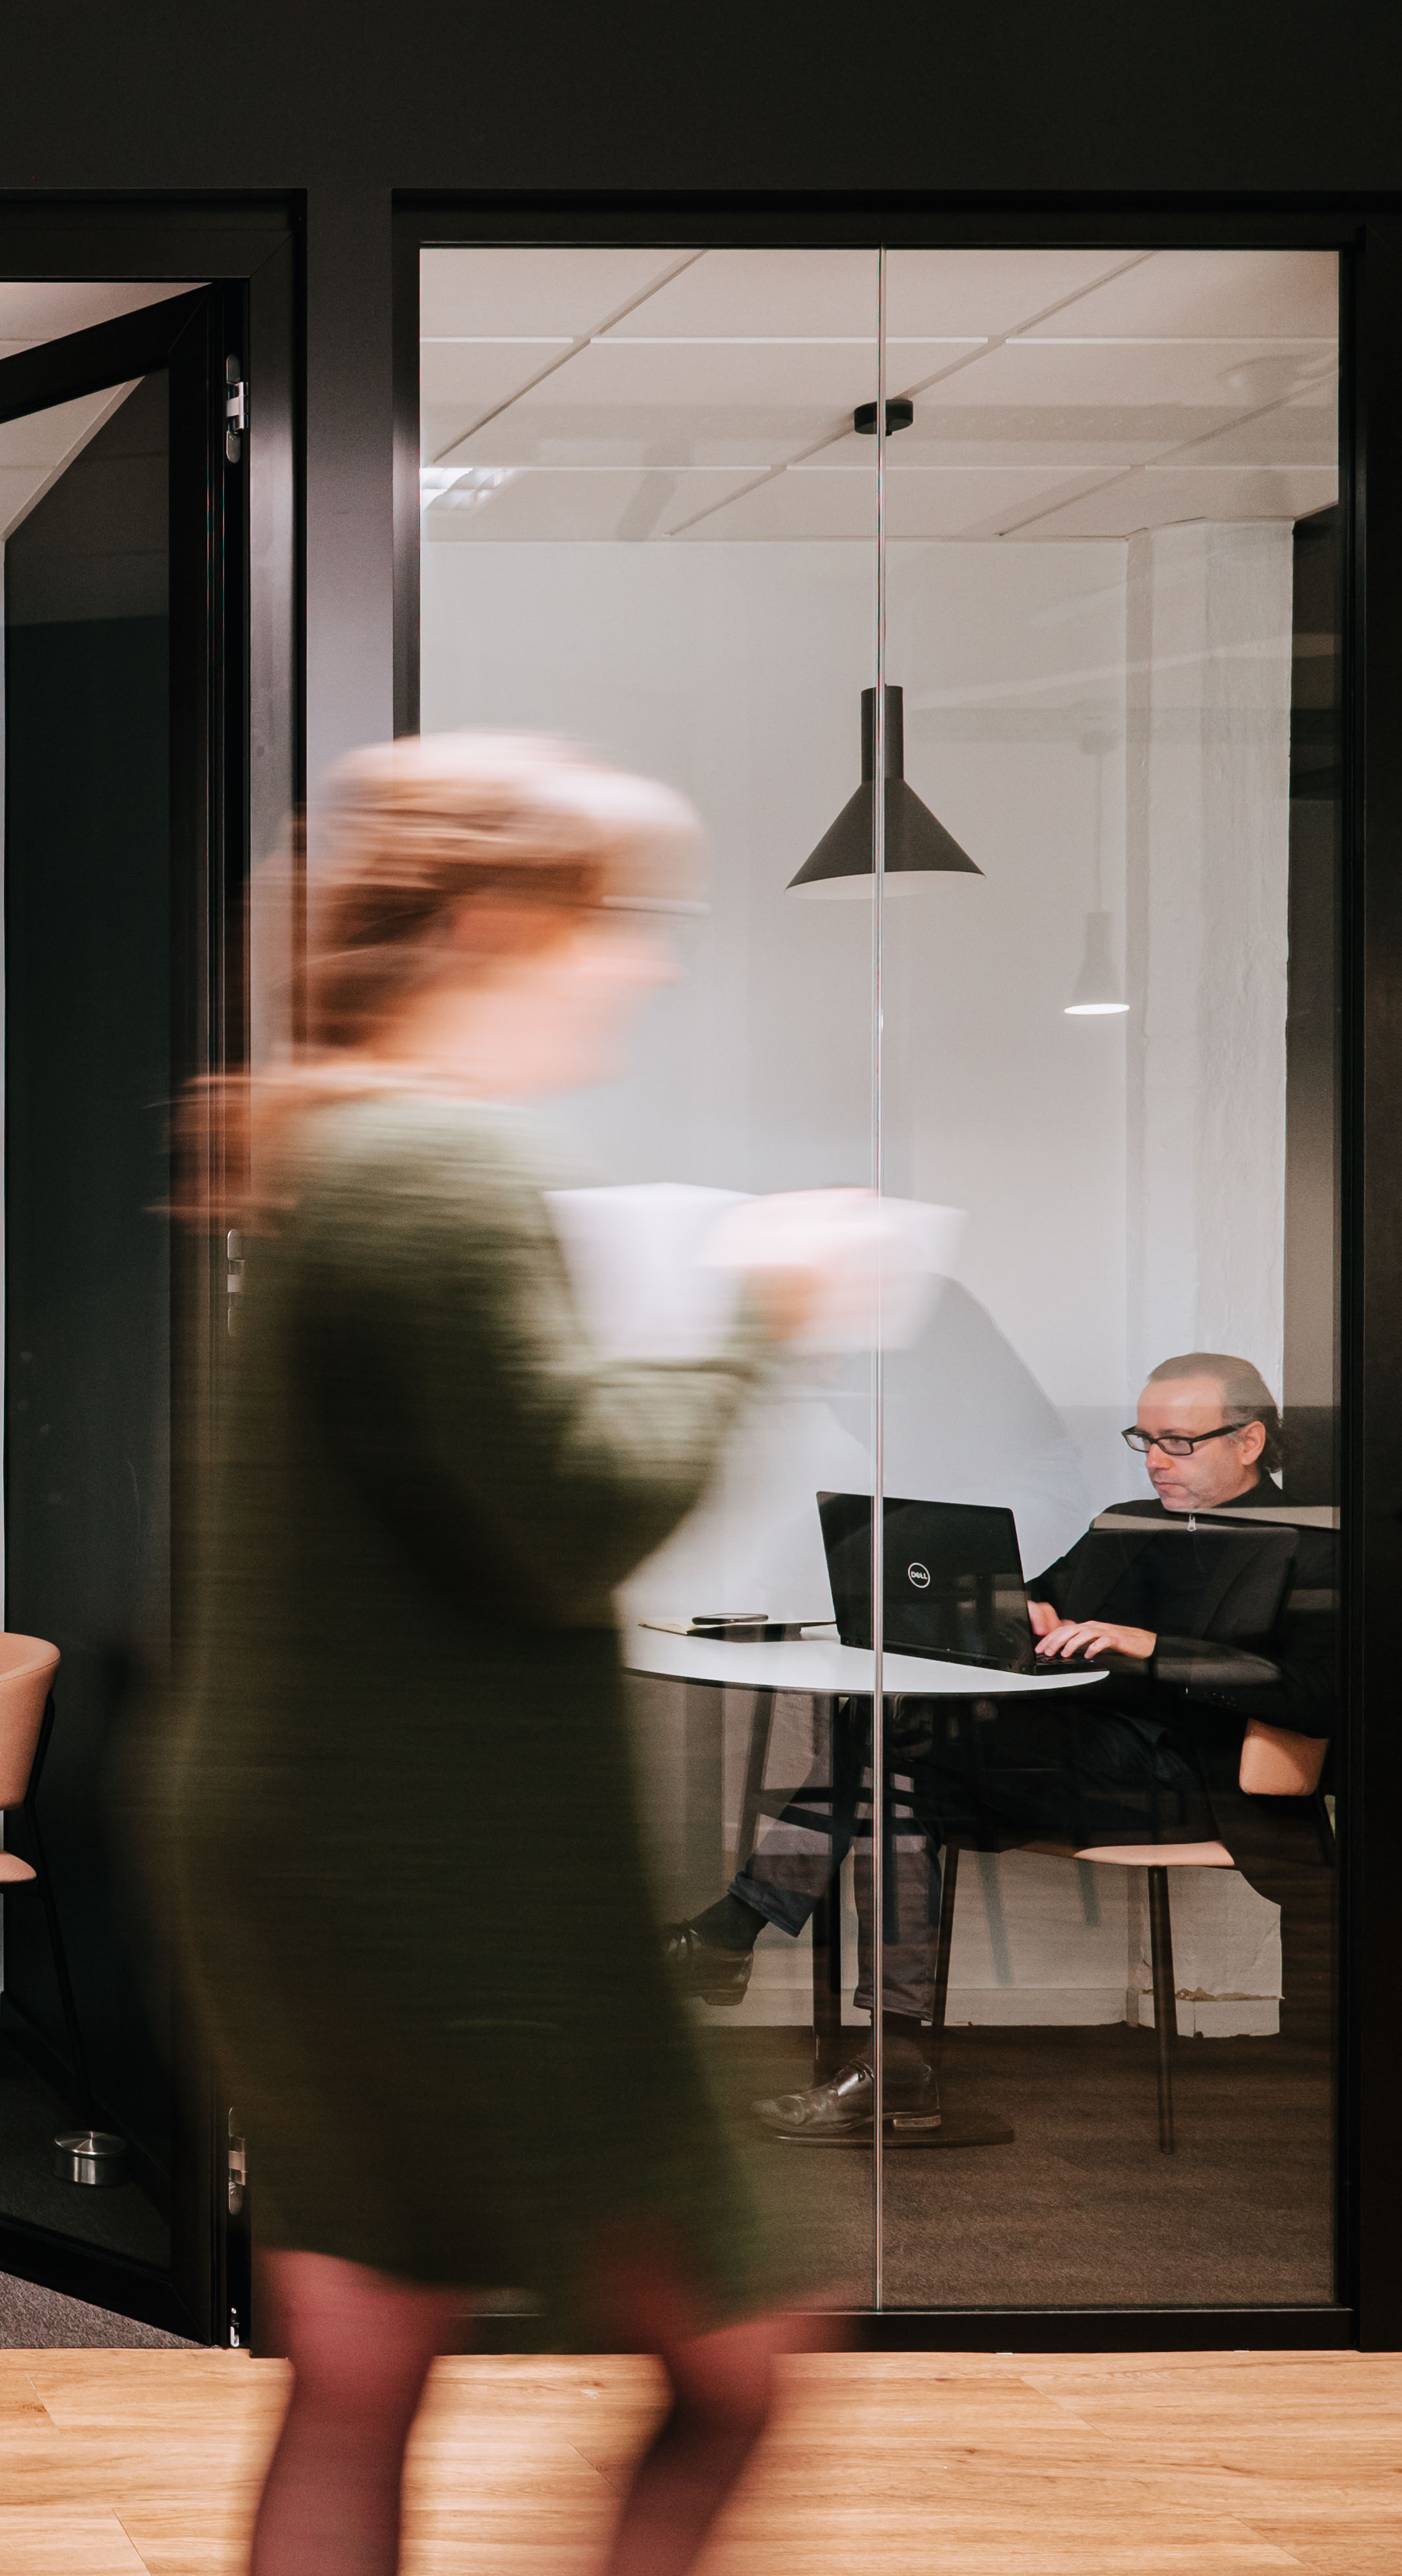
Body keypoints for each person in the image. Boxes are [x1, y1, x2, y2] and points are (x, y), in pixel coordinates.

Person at [159, 736, 847, 2576]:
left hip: (305, 1847)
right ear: (487, 924)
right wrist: (754, 1321)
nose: (652, 962)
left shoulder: (337, 1158)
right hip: (454, 1878)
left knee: (366, 2356)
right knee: (738, 2354)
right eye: (624, 921)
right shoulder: (442, 1170)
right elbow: (574, 1515)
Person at [673, 1351, 1336, 2138]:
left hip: (1186, 1774)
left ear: (1251, 1440)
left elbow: (1321, 1696)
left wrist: (1151, 1645)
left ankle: (741, 1935)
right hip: (1073, 1755)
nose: (1156, 1458)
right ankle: (895, 2064)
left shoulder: (1315, 1543)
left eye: (1178, 1441)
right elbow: (1040, 1600)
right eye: (1144, 1438)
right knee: (891, 1779)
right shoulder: (1126, 1523)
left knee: (881, 1735)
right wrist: (1019, 1612)